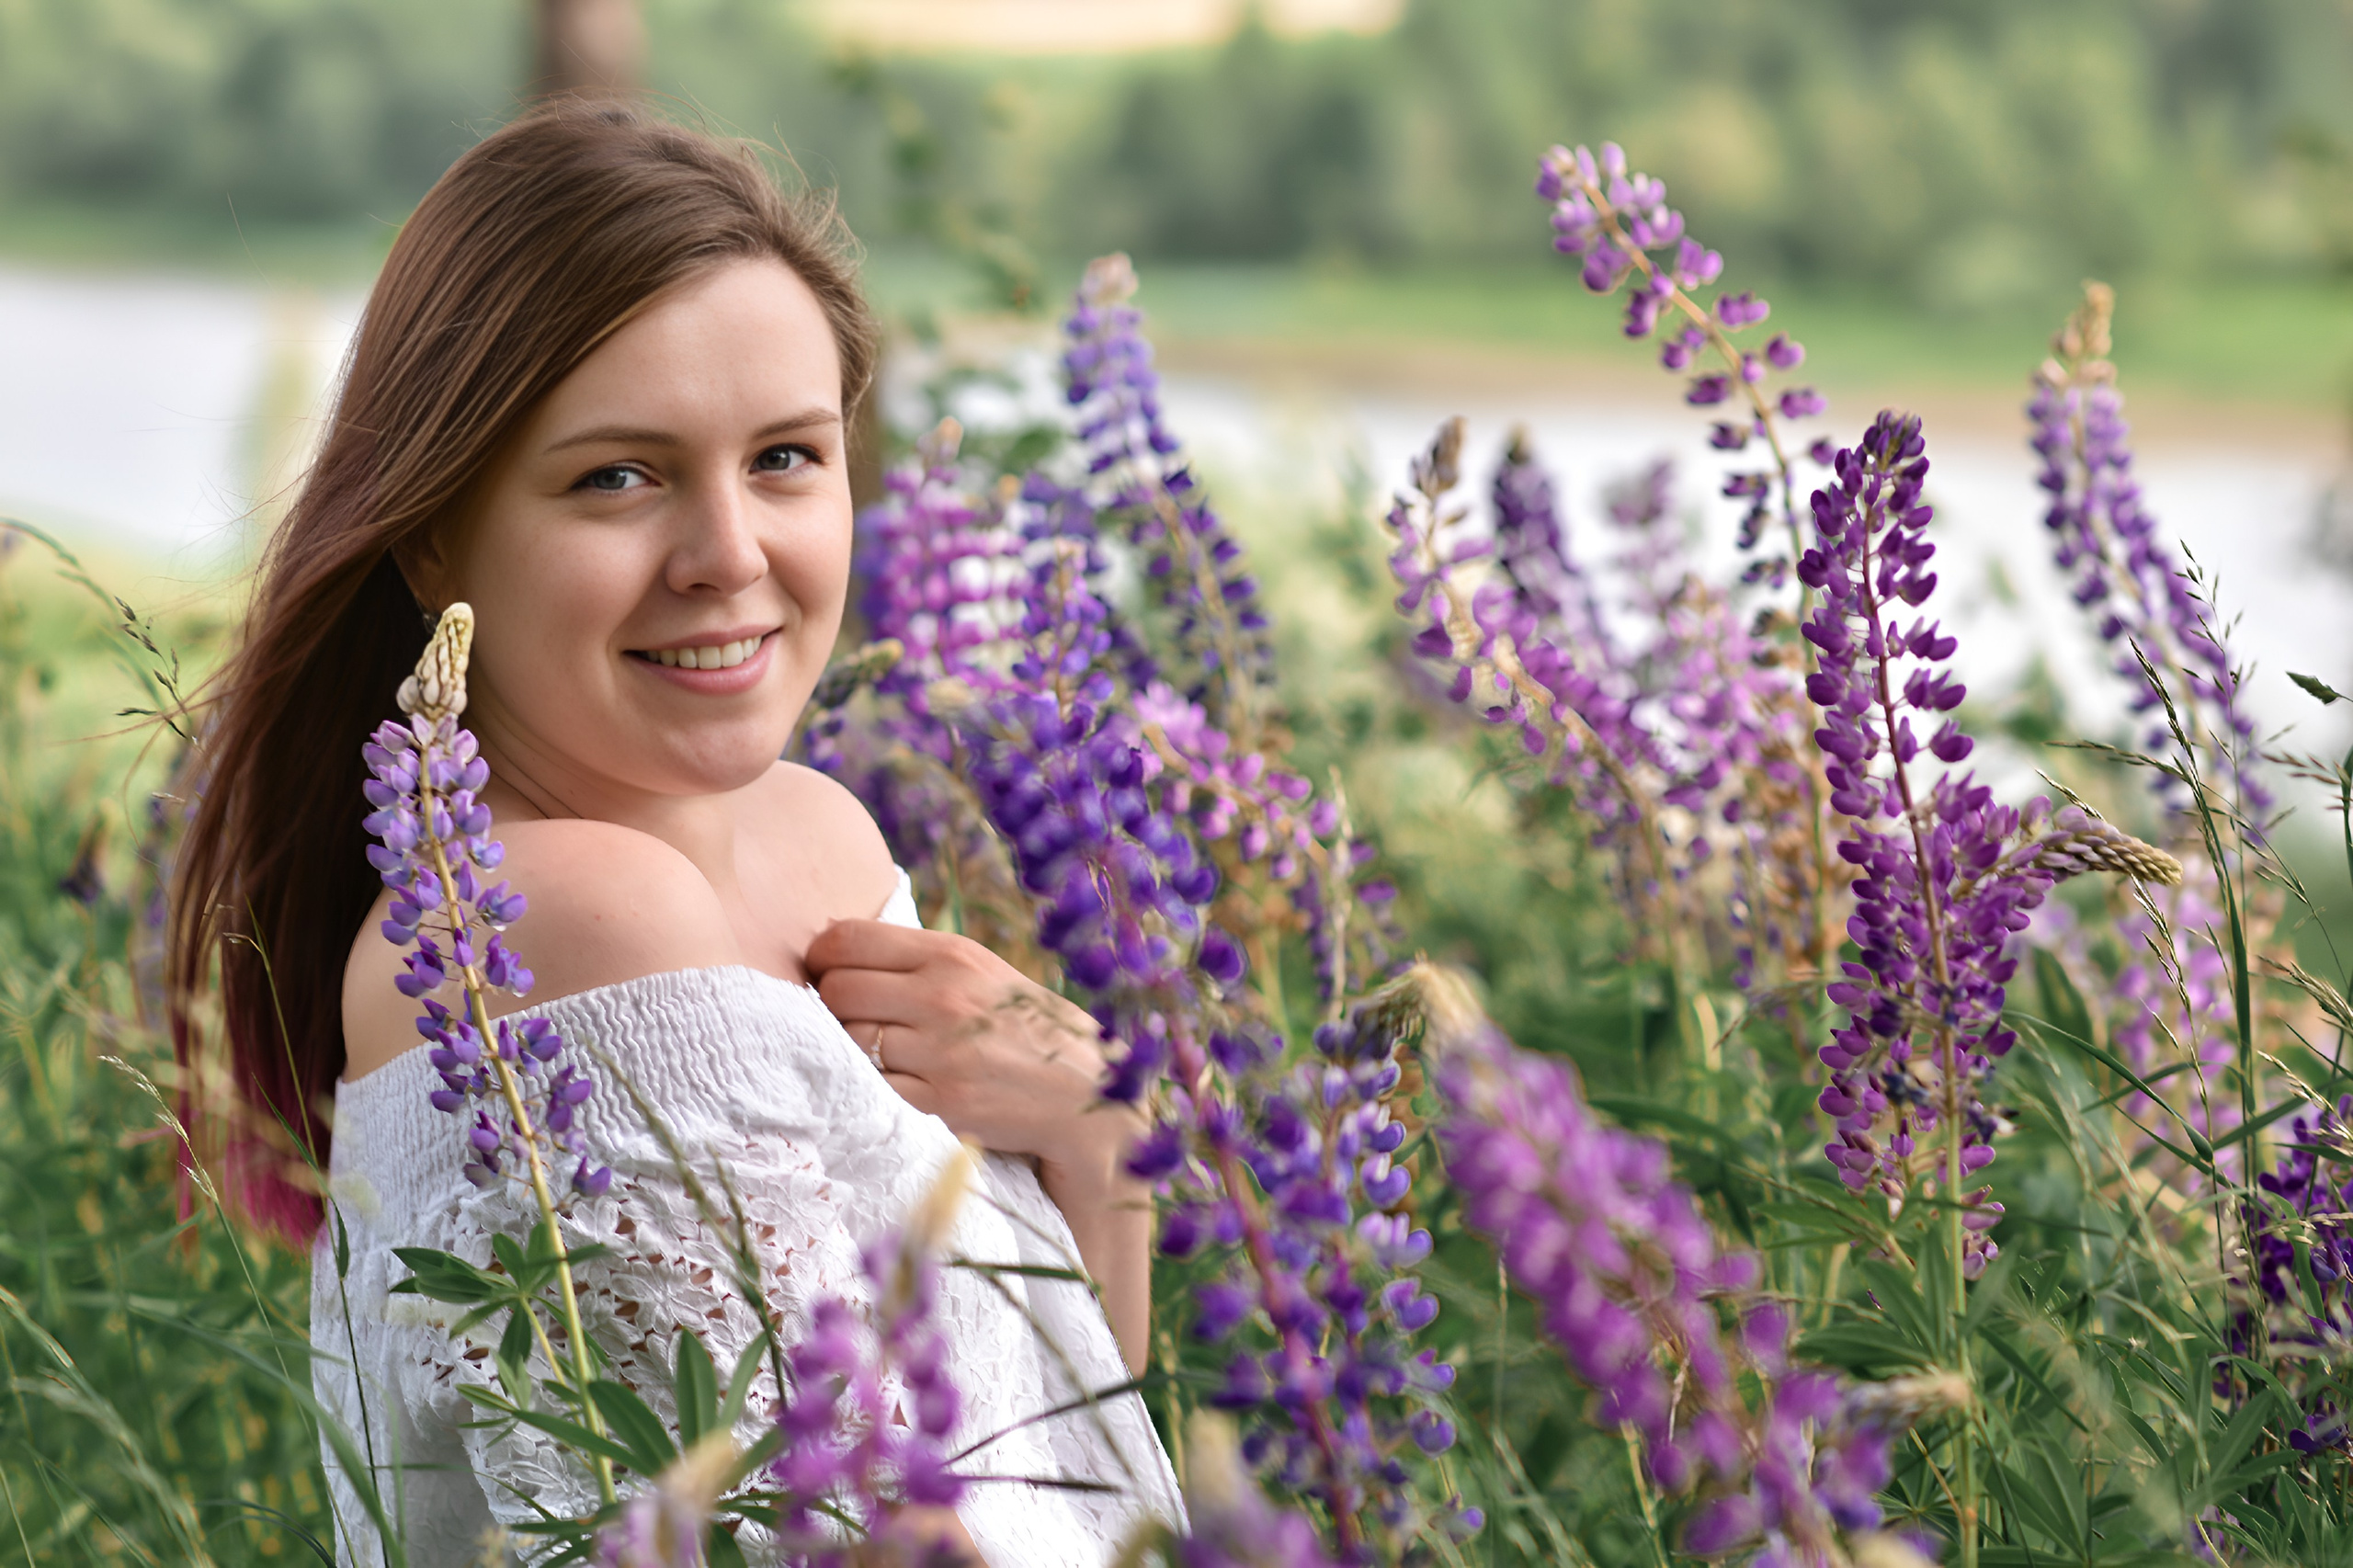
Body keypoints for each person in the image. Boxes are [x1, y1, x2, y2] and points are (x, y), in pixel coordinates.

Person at [167, 97, 1179, 1566]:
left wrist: (1101, 1147)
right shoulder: (553, 920)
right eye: (619, 476)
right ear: (433, 530)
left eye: (785, 458)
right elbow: (820, 1537)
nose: (730, 556)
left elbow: (1062, 1472)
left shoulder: (817, 837)